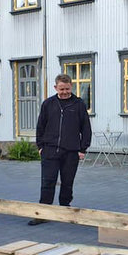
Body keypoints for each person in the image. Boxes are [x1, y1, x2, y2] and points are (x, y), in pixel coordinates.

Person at [28, 74, 92, 225]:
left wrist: (83, 149)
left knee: (67, 182)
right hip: (49, 150)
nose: (64, 92)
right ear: (55, 87)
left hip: (71, 151)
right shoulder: (48, 104)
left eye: (67, 89)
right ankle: (43, 213)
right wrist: (40, 146)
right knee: (47, 182)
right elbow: (40, 126)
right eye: (61, 89)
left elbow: (86, 128)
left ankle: (65, 210)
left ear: (72, 87)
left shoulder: (78, 104)